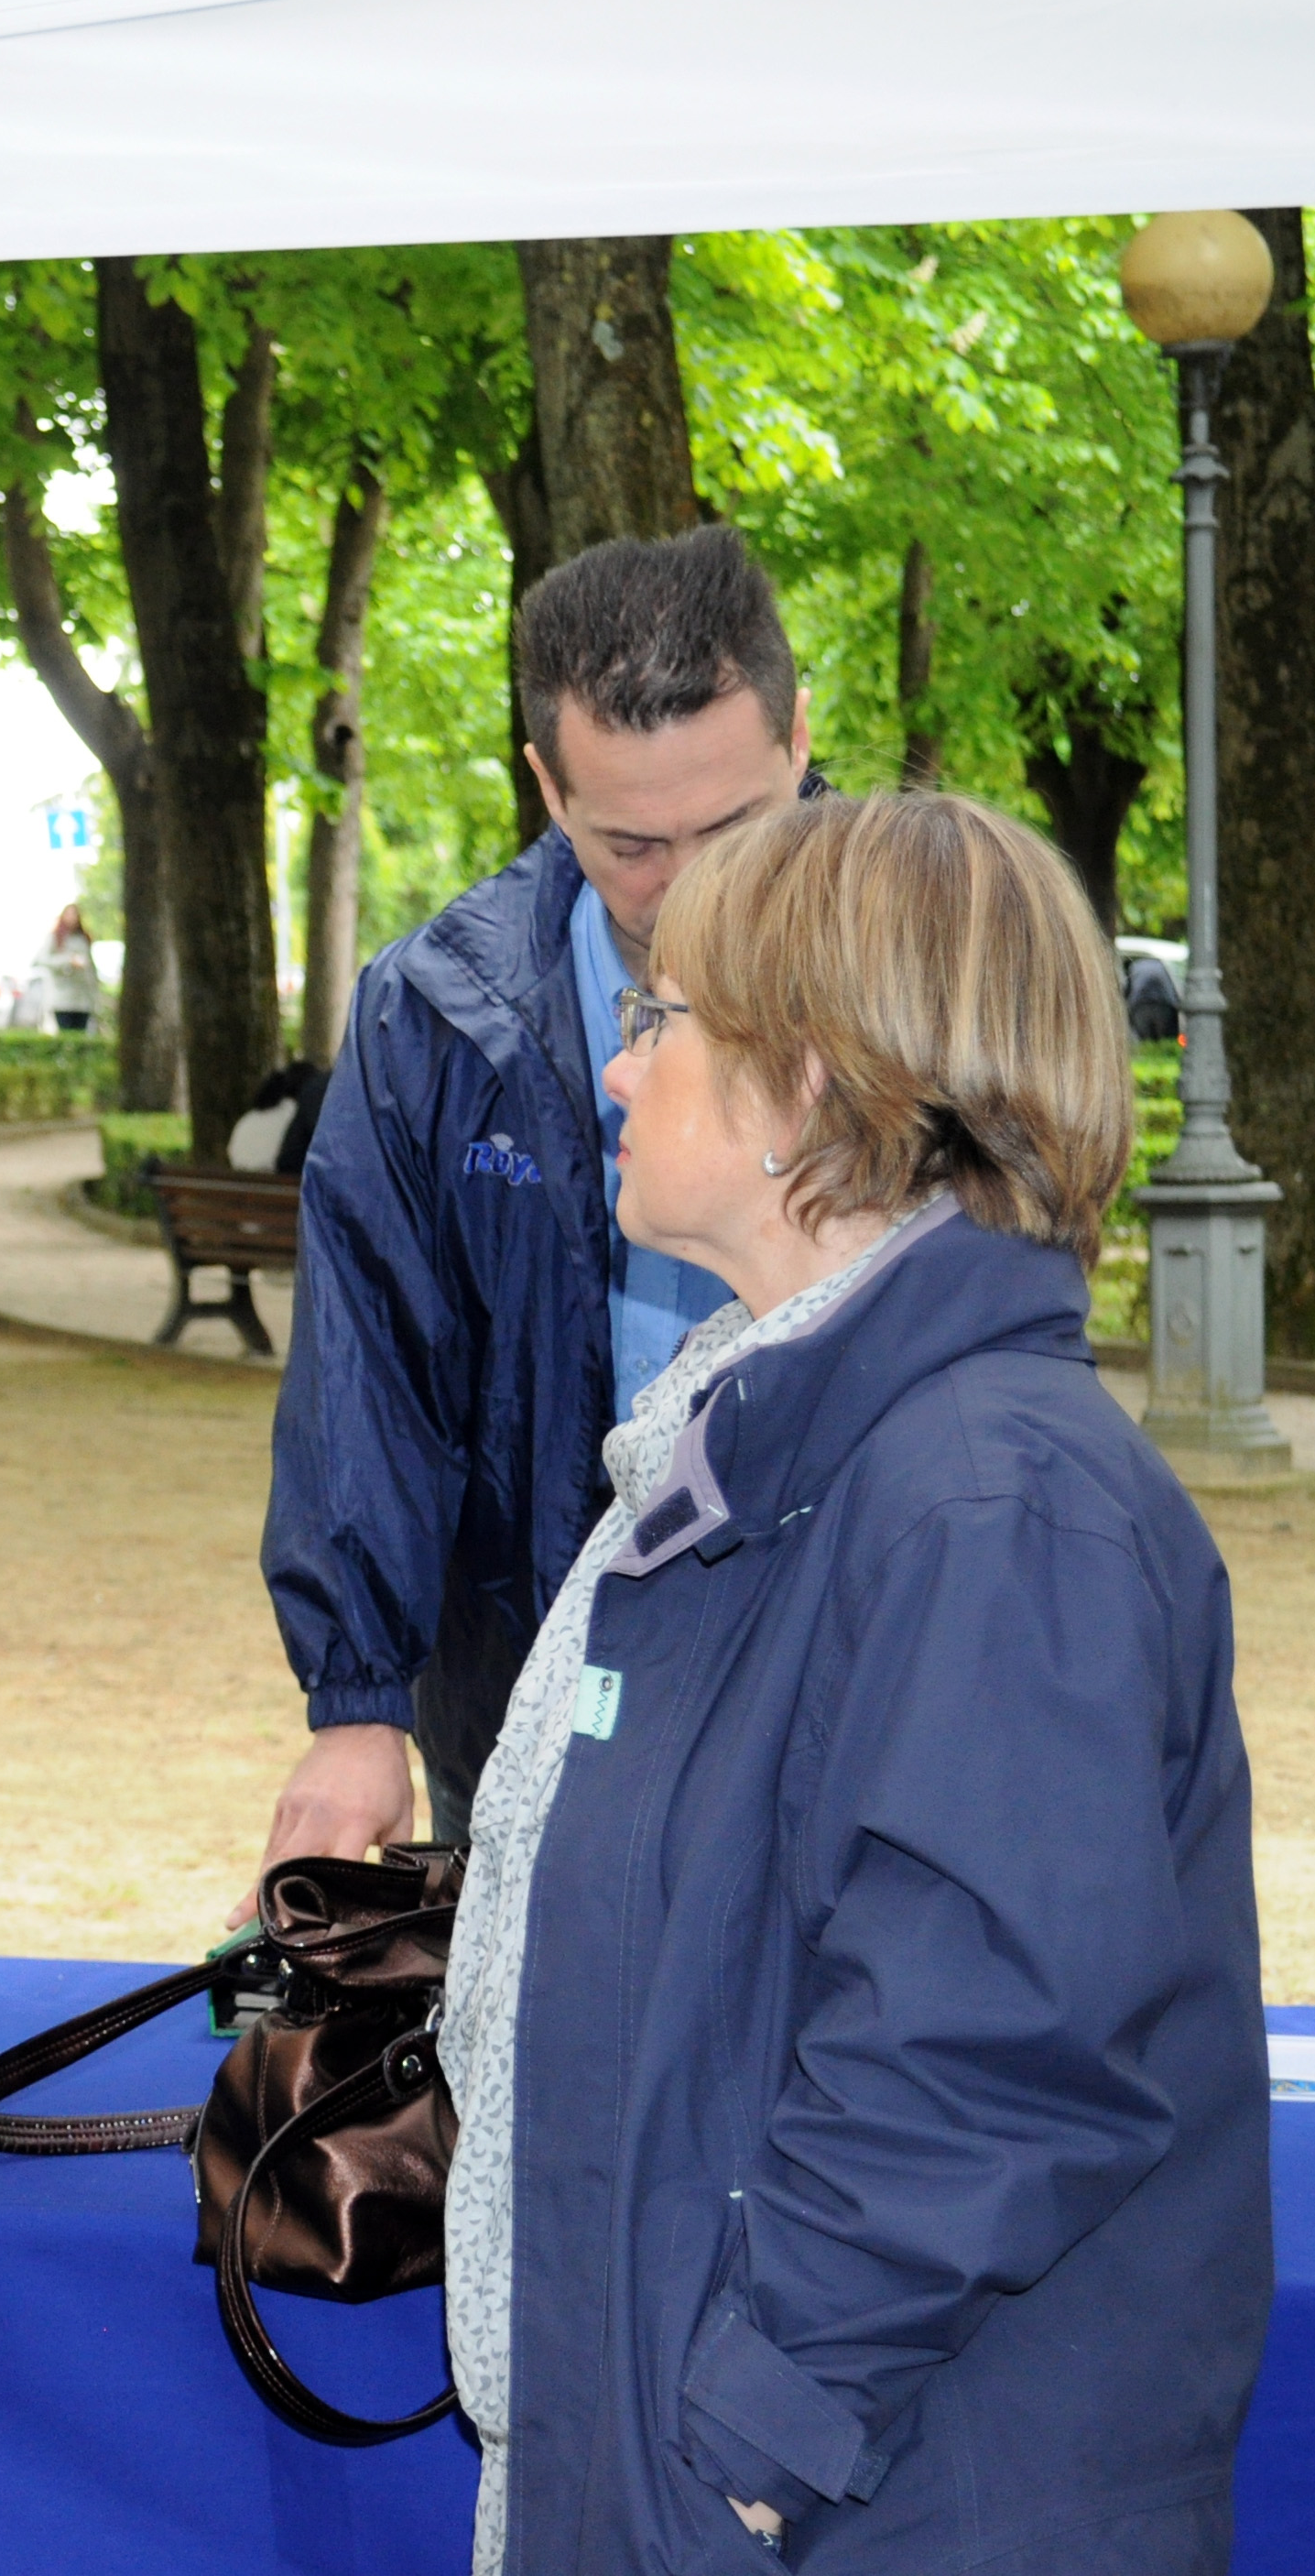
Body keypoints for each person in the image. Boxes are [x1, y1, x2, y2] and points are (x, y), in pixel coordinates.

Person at [440, 789, 1266, 2571]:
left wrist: (739, 2448)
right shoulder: (771, 1446)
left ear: (803, 1083)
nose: (614, 1066)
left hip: (867, 2513)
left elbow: (984, 2058)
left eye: (659, 1017)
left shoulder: (985, 1499)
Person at [256, 526, 817, 1865]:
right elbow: (370, 1363)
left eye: (733, 827)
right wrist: (356, 1703)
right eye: (633, 844)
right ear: (548, 789)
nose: (693, 884)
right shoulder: (431, 1017)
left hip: (833, 1677)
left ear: (799, 741)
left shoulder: (931, 987)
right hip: (524, 1698)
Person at [37, 901, 101, 1033]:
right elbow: (42, 960)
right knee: (65, 1033)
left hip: (82, 1000)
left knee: (80, 1035)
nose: (72, 917)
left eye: (75, 914)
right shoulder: (55, 938)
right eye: (69, 914)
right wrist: (68, 961)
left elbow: (91, 968)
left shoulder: (83, 939)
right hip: (62, 998)